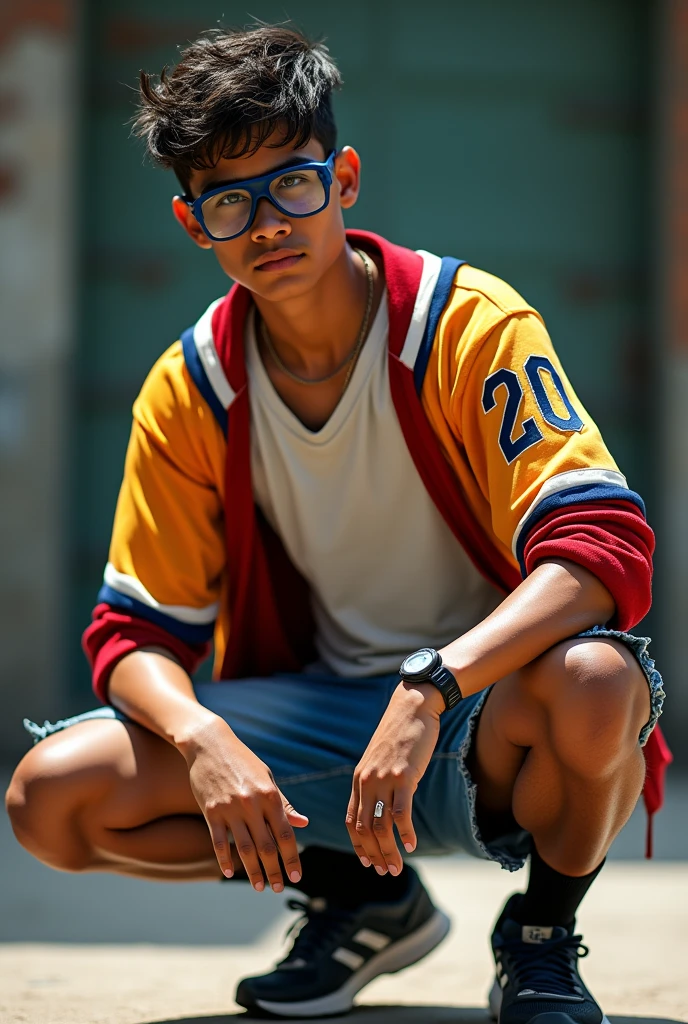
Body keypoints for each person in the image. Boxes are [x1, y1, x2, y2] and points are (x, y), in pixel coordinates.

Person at [5, 24, 667, 1024]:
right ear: (195, 225)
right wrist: (201, 738)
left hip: (487, 716)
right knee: (50, 798)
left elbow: (599, 547)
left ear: (345, 177)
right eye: (231, 199)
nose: (268, 222)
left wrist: (433, 684)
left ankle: (538, 938)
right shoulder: (194, 388)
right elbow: (134, 634)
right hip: (322, 720)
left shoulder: (466, 323)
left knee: (597, 680)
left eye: (294, 182)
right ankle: (362, 898)